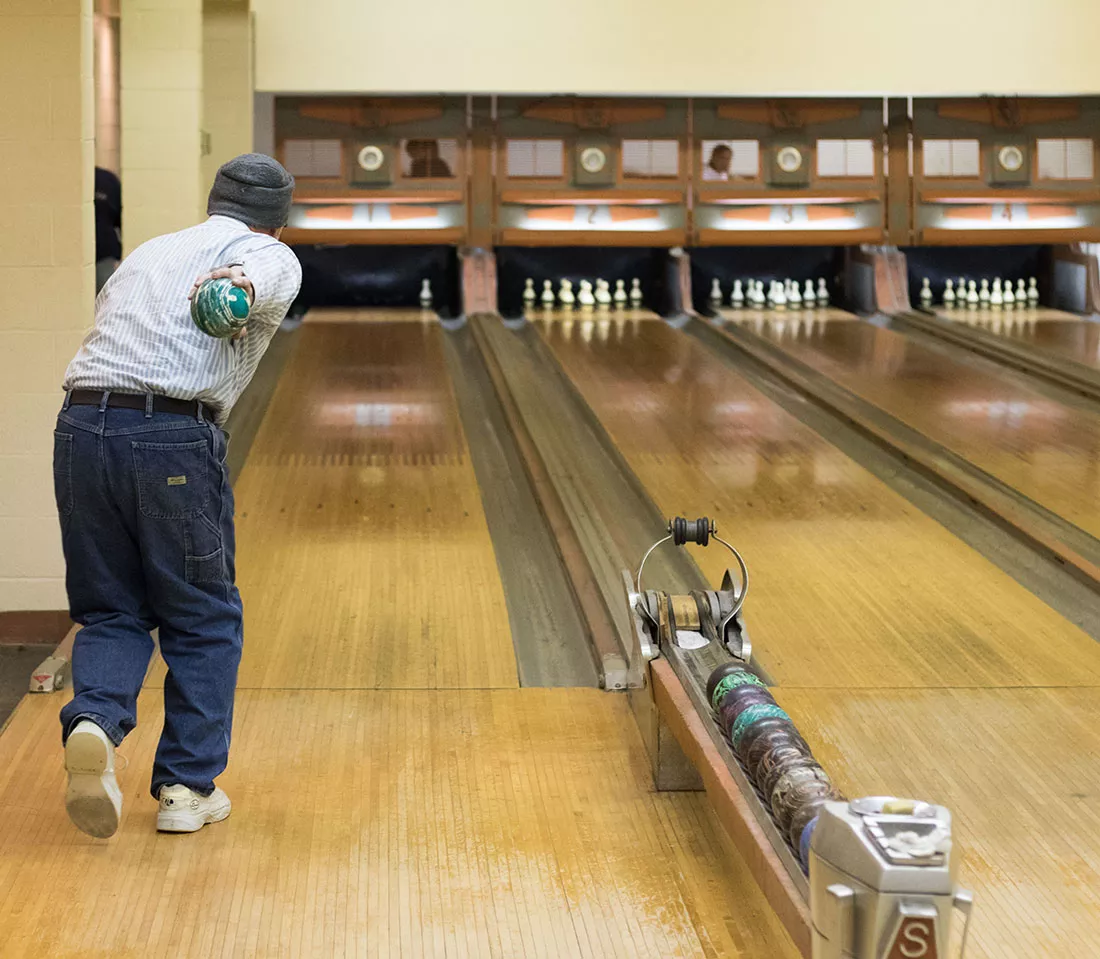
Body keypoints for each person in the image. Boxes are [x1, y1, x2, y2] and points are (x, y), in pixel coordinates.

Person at [55, 154, 302, 839]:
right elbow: (243, 287)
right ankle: (187, 788)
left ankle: (97, 722)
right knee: (202, 614)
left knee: (110, 607)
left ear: (213, 198)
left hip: (78, 427)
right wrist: (230, 292)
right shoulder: (270, 254)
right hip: (170, 435)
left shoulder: (149, 250)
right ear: (279, 220)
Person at [94, 167, 122, 293]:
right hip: (72, 256)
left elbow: (119, 219)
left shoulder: (107, 180)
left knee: (108, 299)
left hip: (104, 255)